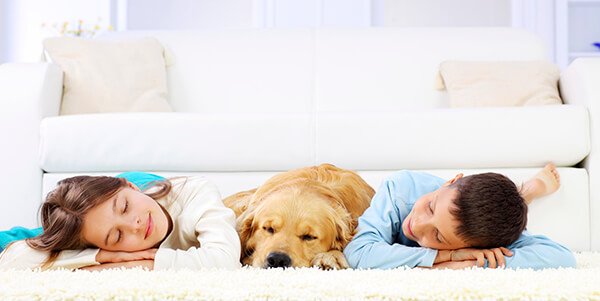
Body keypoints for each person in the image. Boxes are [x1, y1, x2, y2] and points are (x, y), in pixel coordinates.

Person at [344, 163, 576, 270]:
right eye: (431, 207)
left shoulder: (489, 235)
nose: (418, 224)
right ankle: (527, 191)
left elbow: (563, 258)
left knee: (507, 213)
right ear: (451, 181)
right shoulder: (400, 189)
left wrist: (472, 263)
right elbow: (357, 253)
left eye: (438, 236)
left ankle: (526, 194)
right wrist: (448, 255)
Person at [0, 172, 241, 271]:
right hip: (103, 210)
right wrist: (98, 258)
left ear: (130, 188)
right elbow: (12, 262)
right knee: (40, 235)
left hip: (149, 189)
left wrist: (137, 264)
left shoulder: (196, 192)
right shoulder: (98, 235)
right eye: (117, 236)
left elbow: (224, 260)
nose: (134, 225)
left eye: (125, 208)